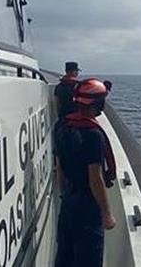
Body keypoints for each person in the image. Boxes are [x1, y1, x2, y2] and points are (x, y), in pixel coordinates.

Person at [54, 79, 117, 267]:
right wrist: (106, 214)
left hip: (68, 202)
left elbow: (60, 167)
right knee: (88, 258)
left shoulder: (62, 126)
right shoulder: (93, 135)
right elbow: (95, 178)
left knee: (65, 255)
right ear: (97, 103)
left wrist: (64, 195)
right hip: (87, 207)